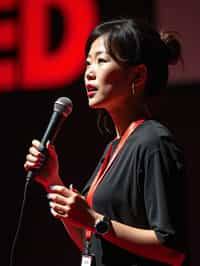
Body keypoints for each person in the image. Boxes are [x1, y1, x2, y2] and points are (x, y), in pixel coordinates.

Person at [24, 18, 188, 266]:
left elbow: (172, 249)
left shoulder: (154, 143)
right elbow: (93, 243)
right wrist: (52, 181)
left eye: (101, 61)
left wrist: (93, 219)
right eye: (88, 63)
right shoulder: (113, 148)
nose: (89, 72)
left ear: (138, 75)